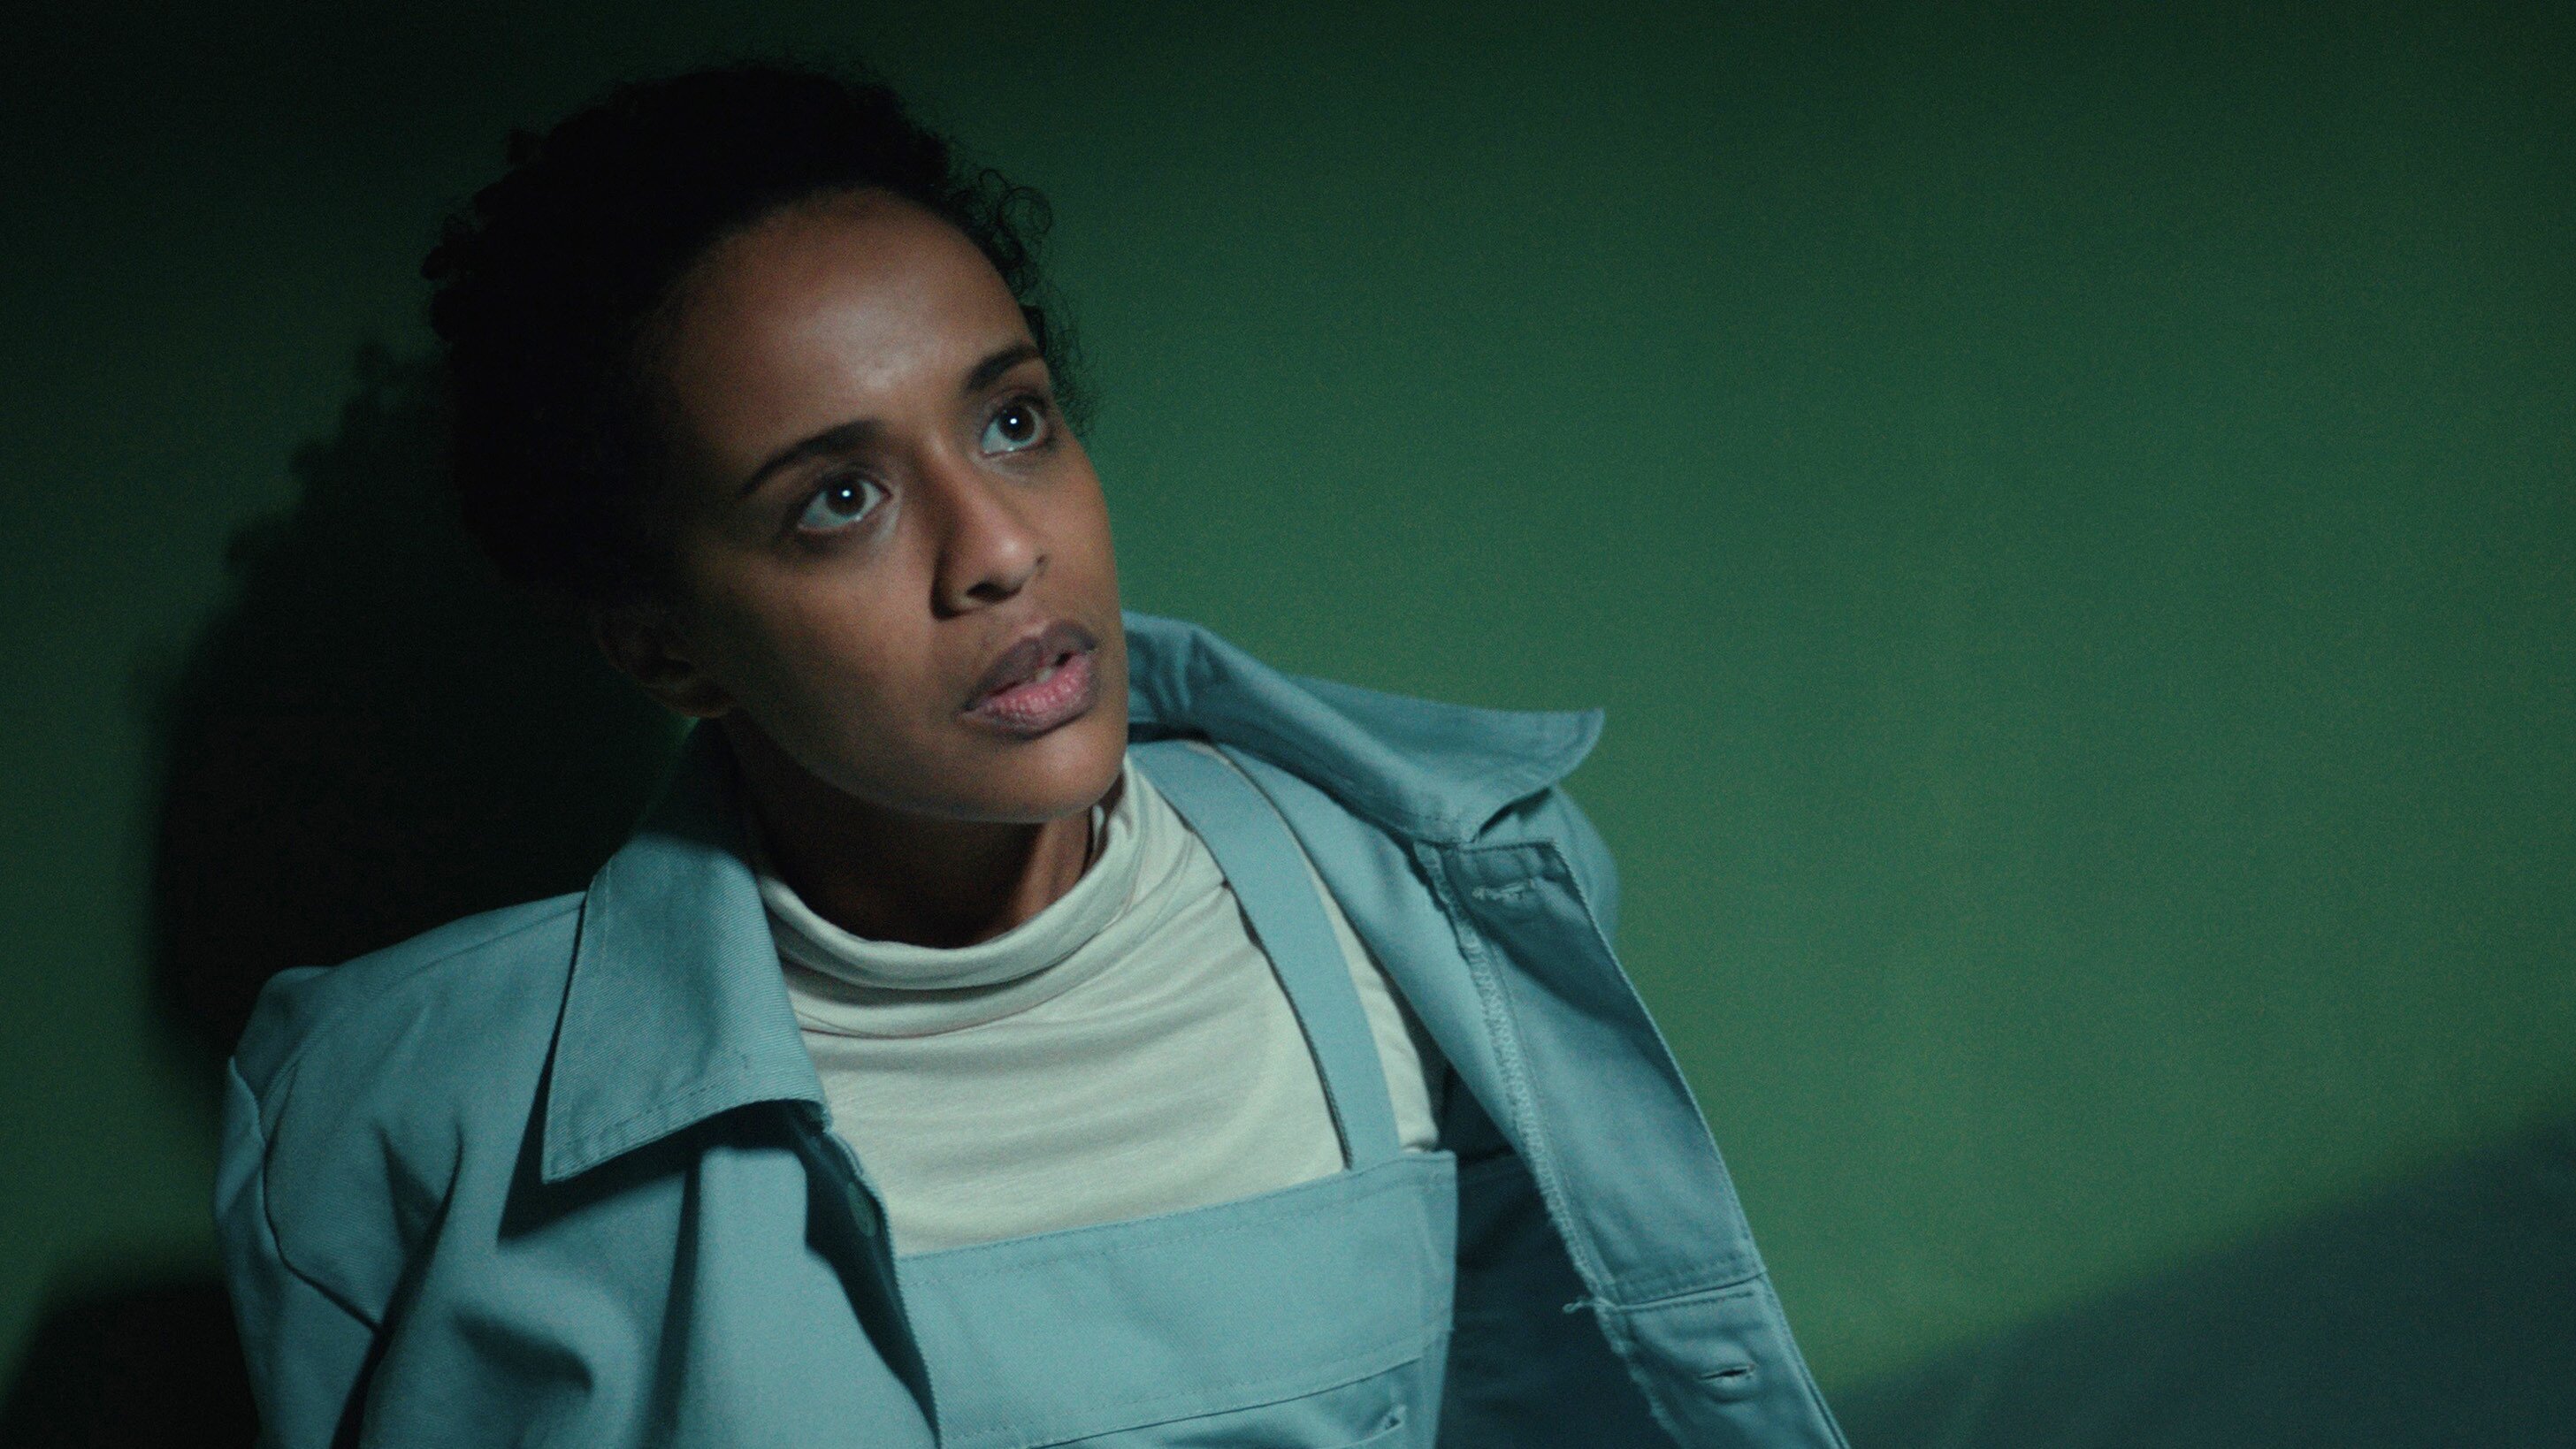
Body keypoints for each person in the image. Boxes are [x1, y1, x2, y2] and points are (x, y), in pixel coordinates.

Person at [213, 60, 1848, 1448]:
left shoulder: (1431, 911)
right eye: (837, 501)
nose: (999, 550)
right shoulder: (413, 1112)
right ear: (664, 647)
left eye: (1011, 420)